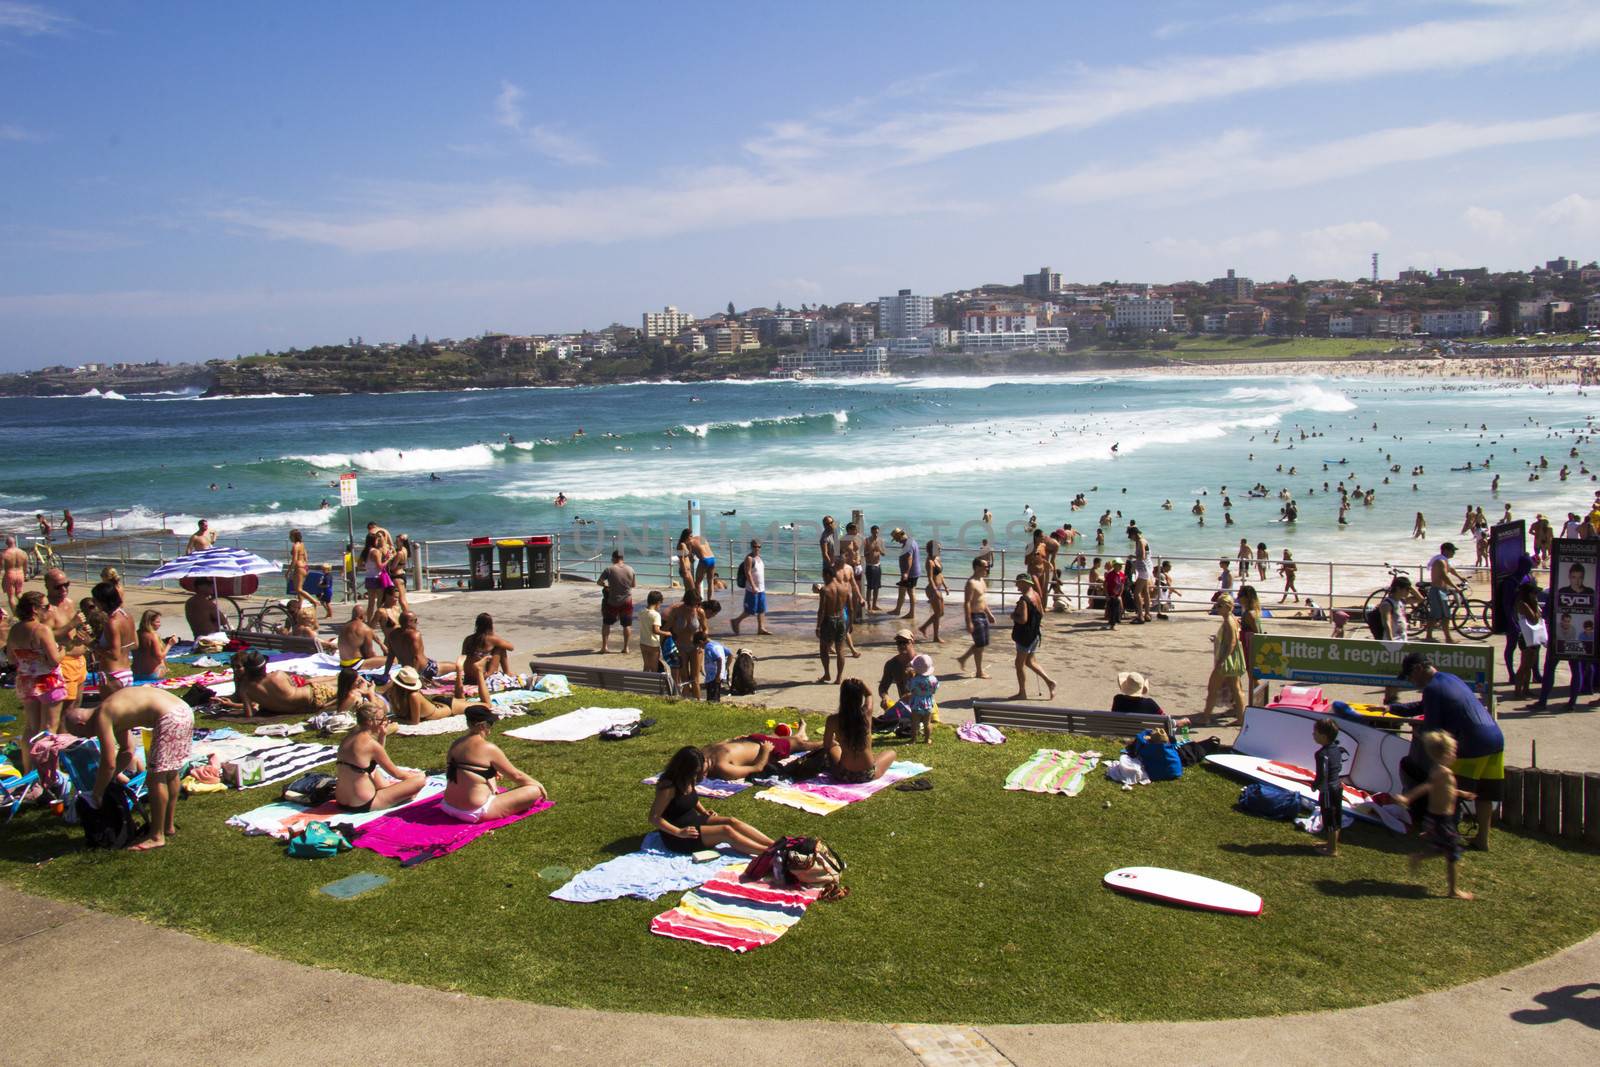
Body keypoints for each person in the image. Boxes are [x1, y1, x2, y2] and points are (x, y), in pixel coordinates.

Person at [1392, 652, 1504, 851]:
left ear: (1418, 669)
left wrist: (1418, 732)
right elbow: (1423, 707)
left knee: (1449, 791)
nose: (1410, 681)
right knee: (1485, 794)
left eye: (1409, 676)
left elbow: (1432, 730)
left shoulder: (1432, 689)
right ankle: (1482, 839)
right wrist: (1395, 709)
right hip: (1495, 738)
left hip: (1472, 745)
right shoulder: (1450, 678)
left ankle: (1444, 839)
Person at [89, 687, 192, 851]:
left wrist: (98, 791)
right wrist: (113, 776)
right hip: (184, 710)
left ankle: (157, 836)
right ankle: (167, 826)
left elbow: (108, 763)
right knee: (171, 772)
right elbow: (127, 751)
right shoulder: (113, 708)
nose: (87, 736)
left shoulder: (102, 716)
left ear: (81, 723)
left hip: (169, 717)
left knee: (155, 776)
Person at [650, 746, 774, 855]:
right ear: (684, 769)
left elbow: (690, 799)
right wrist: (678, 832)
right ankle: (768, 853)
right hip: (679, 836)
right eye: (696, 772)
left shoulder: (689, 778)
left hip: (692, 821)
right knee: (726, 831)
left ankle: (774, 844)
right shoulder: (668, 787)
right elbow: (654, 817)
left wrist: (703, 811)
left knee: (731, 821)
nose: (699, 776)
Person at [439, 705, 547, 823]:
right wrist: (538, 784)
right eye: (490, 723)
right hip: (474, 811)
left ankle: (491, 789)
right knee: (534, 790)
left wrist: (491, 772)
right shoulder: (488, 748)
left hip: (448, 805)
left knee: (487, 772)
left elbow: (461, 771)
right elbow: (516, 776)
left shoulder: (456, 744)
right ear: (483, 725)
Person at [1399, 731, 1474, 899]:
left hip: (1437, 819)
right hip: (1442, 820)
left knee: (1444, 850)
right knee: (1452, 853)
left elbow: (1446, 789)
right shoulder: (1443, 772)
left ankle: (1418, 857)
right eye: (1454, 752)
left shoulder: (1439, 771)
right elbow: (1426, 787)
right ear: (1446, 754)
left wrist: (1461, 793)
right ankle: (1453, 891)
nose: (1455, 755)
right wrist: (1407, 797)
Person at [6, 591, 65, 777]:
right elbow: (54, 660)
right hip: (48, 681)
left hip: (26, 681)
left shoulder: (15, 629)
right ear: (34, 609)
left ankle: (29, 770)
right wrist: (64, 650)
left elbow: (10, 658)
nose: (48, 609)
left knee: (31, 728)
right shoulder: (42, 630)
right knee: (49, 728)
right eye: (45, 606)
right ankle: (49, 774)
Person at [334, 701, 426, 814]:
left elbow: (375, 759)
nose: (385, 722)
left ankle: (398, 793)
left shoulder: (348, 738)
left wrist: (382, 735)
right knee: (420, 780)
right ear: (370, 722)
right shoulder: (371, 744)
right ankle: (405, 794)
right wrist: (416, 777)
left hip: (342, 800)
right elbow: (397, 774)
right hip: (364, 803)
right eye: (382, 720)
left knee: (374, 772)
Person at [217, 649, 342, 717]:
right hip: (314, 696)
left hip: (301, 709)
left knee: (334, 680)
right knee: (343, 682)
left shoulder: (245, 688)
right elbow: (297, 686)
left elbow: (249, 713)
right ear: (264, 666)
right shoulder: (277, 675)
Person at [825, 678, 898, 782]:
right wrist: (862, 684)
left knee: (834, 748)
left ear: (842, 697)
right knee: (891, 752)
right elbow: (869, 695)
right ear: (859, 698)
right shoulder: (866, 714)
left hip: (844, 774)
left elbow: (827, 745)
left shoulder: (833, 720)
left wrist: (837, 743)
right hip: (867, 774)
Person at [701, 723, 824, 780]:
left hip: (750, 739)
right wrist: (766, 751)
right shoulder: (722, 767)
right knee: (801, 745)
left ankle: (801, 734)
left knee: (782, 738)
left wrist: (733, 739)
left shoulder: (702, 753)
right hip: (766, 748)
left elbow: (722, 743)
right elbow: (757, 768)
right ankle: (828, 741)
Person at [1007, 573, 1056, 701]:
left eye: (1018, 583)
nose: (1017, 585)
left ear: (1025, 583)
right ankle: (1050, 682)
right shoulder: (1036, 595)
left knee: (1019, 664)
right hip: (1035, 634)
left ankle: (1022, 693)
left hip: (1025, 636)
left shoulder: (1024, 600)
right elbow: (1041, 613)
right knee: (1030, 661)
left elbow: (1023, 620)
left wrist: (1013, 616)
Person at [1200, 594, 1246, 723]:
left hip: (1227, 660)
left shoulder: (1229, 621)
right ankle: (1241, 718)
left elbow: (1231, 642)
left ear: (1227, 607)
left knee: (1212, 688)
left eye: (1219, 605)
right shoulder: (1232, 619)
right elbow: (1230, 640)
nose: (1217, 607)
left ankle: (1206, 717)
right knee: (1236, 688)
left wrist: (1222, 661)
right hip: (1233, 659)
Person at [384, 665, 474, 725]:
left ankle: (475, 670)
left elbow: (414, 722)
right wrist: (391, 698)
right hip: (439, 703)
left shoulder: (414, 695)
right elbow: (400, 714)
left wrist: (394, 720)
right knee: (464, 700)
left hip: (448, 708)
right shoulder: (397, 694)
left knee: (486, 705)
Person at [663, 589, 708, 698]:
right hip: (680, 646)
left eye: (696, 604)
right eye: (691, 604)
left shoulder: (699, 612)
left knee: (695, 679)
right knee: (684, 678)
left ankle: (698, 702)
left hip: (695, 647)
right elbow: (666, 628)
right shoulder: (677, 611)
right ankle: (686, 701)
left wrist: (703, 641)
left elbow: (705, 629)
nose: (694, 607)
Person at [461, 613, 514, 704]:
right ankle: (507, 672)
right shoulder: (491, 638)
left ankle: (504, 672)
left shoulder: (468, 639)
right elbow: (511, 647)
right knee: (500, 648)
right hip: (482, 676)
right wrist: (494, 636)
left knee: (487, 653)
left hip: (468, 677)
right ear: (490, 625)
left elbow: (463, 655)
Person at [955, 557, 995, 679]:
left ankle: (963, 658)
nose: (987, 568)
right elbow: (967, 602)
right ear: (977, 567)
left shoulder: (982, 580)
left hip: (982, 614)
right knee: (980, 645)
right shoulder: (971, 583)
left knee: (981, 643)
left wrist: (989, 614)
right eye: (985, 566)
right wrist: (968, 621)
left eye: (987, 566)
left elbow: (982, 599)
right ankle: (979, 671)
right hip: (975, 616)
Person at [1312, 718, 1344, 857]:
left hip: (1327, 791)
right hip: (1338, 787)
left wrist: (1315, 785)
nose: (1313, 734)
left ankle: (1332, 849)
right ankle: (1331, 844)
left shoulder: (1321, 754)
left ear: (1324, 736)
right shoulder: (1337, 749)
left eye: (1315, 732)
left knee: (1329, 819)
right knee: (1336, 817)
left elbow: (1322, 774)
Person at [1424, 543, 1468, 644]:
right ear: (1445, 550)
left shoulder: (1444, 561)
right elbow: (1444, 576)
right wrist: (1455, 587)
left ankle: (1434, 636)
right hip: (1437, 591)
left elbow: (1451, 570)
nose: (1454, 553)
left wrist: (1460, 577)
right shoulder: (1440, 561)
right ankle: (1446, 638)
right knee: (1442, 616)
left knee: (1441, 615)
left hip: (1441, 590)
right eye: (1452, 551)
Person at [815, 563, 850, 683]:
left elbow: (822, 610)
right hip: (841, 620)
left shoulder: (825, 590)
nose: (823, 579)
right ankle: (839, 677)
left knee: (824, 649)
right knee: (840, 650)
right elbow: (850, 608)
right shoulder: (845, 587)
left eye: (824, 576)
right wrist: (849, 625)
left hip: (828, 621)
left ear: (828, 575)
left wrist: (818, 627)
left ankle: (827, 674)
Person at [597, 549, 637, 653]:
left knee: (606, 623)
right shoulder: (631, 569)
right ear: (622, 558)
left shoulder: (609, 569)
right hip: (627, 601)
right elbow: (633, 585)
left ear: (614, 558)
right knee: (627, 625)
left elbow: (599, 582)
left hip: (612, 600)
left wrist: (606, 585)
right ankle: (625, 648)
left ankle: (604, 647)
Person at [730, 540, 771, 636]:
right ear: (751, 547)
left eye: (759, 547)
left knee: (762, 609)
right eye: (755, 546)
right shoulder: (749, 558)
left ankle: (761, 628)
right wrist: (753, 586)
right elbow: (747, 573)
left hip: (761, 588)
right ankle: (736, 621)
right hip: (752, 589)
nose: (757, 548)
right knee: (750, 611)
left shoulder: (759, 558)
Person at [337, 606, 387, 670]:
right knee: (392, 660)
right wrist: (377, 659)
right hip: (355, 664)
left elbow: (370, 631)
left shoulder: (344, 626)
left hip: (343, 663)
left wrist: (381, 644)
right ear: (362, 616)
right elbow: (369, 654)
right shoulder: (364, 628)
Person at [132, 609, 176, 681]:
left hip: (136, 674)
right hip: (152, 675)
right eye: (157, 622)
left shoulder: (137, 634)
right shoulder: (152, 636)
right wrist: (170, 644)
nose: (160, 624)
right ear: (149, 623)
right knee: (161, 661)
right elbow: (159, 657)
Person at [917, 541, 948, 643]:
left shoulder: (938, 559)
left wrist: (945, 586)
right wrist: (935, 591)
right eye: (938, 548)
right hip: (932, 589)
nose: (940, 550)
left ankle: (924, 627)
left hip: (938, 588)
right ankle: (935, 636)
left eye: (940, 548)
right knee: (938, 613)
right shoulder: (929, 562)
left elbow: (940, 575)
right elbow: (930, 578)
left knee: (941, 613)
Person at [878, 628, 917, 706]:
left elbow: (930, 687)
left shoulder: (921, 662)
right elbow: (883, 687)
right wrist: (885, 696)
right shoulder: (891, 664)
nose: (902, 645)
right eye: (899, 642)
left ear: (912, 642)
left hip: (922, 704)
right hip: (904, 705)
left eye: (905, 642)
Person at [906, 654, 938, 744]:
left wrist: (909, 678)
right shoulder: (933, 679)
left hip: (916, 703)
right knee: (927, 723)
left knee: (914, 723)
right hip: (928, 703)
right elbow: (935, 690)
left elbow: (909, 688)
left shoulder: (914, 680)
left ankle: (913, 740)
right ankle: (927, 739)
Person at [892, 528, 920, 621]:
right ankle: (897, 610)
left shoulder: (908, 544)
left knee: (911, 592)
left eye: (896, 538)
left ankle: (911, 613)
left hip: (910, 573)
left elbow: (909, 558)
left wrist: (906, 573)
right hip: (910, 572)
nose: (896, 541)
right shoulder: (910, 541)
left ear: (900, 535)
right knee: (902, 590)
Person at [287, 529, 318, 615]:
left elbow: (294, 560)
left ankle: (314, 601)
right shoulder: (302, 544)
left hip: (299, 567)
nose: (289, 538)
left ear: (294, 536)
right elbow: (306, 557)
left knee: (298, 589)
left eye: (290, 536)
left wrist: (288, 571)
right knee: (299, 589)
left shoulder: (295, 546)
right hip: (305, 567)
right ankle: (299, 606)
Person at [1, 535, 26, 612]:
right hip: (20, 574)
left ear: (6, 544)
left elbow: (1, 568)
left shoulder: (4, 554)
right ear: (15, 542)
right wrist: (24, 575)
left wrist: (3, 580)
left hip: (10, 574)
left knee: (11, 597)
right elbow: (25, 567)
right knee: (19, 594)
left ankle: (15, 614)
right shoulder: (23, 553)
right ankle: (27, 608)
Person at [863, 525, 884, 612]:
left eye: (877, 532)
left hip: (878, 565)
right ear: (871, 532)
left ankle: (875, 605)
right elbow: (864, 554)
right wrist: (871, 550)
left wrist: (879, 549)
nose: (876, 534)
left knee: (877, 587)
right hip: (870, 565)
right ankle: (869, 606)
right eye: (874, 532)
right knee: (869, 587)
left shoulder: (880, 540)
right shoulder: (867, 540)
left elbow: (884, 554)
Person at [1102, 559, 1126, 629]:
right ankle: (1112, 624)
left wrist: (1120, 595)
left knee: (1117, 610)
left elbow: (1122, 585)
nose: (1121, 567)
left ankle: (1115, 622)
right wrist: (1107, 595)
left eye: (1121, 565)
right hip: (1111, 595)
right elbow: (1105, 585)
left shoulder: (1122, 574)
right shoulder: (1110, 574)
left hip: (1117, 595)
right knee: (1112, 610)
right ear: (1114, 566)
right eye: (1119, 565)